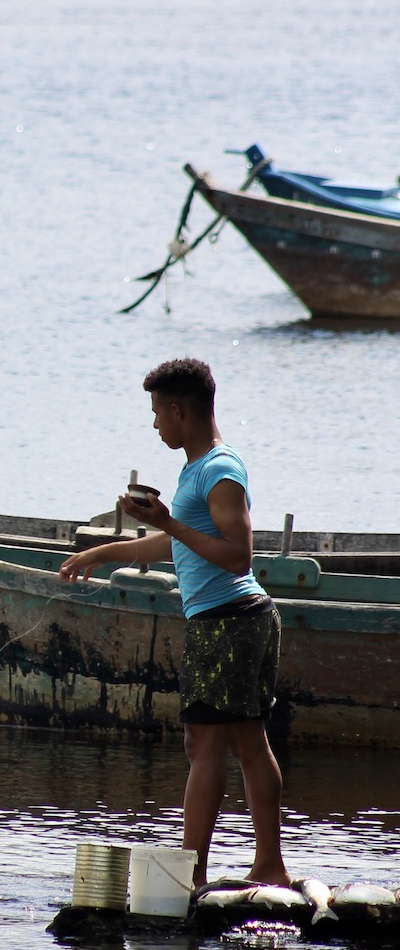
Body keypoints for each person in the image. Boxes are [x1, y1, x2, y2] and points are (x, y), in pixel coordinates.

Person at [59, 358, 290, 890]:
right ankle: (267, 864)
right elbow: (179, 539)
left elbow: (237, 556)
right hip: (238, 620)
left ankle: (194, 873)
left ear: (179, 410)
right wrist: (105, 551)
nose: (156, 424)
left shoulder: (219, 470)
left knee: (205, 747)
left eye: (158, 413)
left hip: (228, 621)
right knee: (247, 743)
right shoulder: (199, 467)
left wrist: (166, 521)